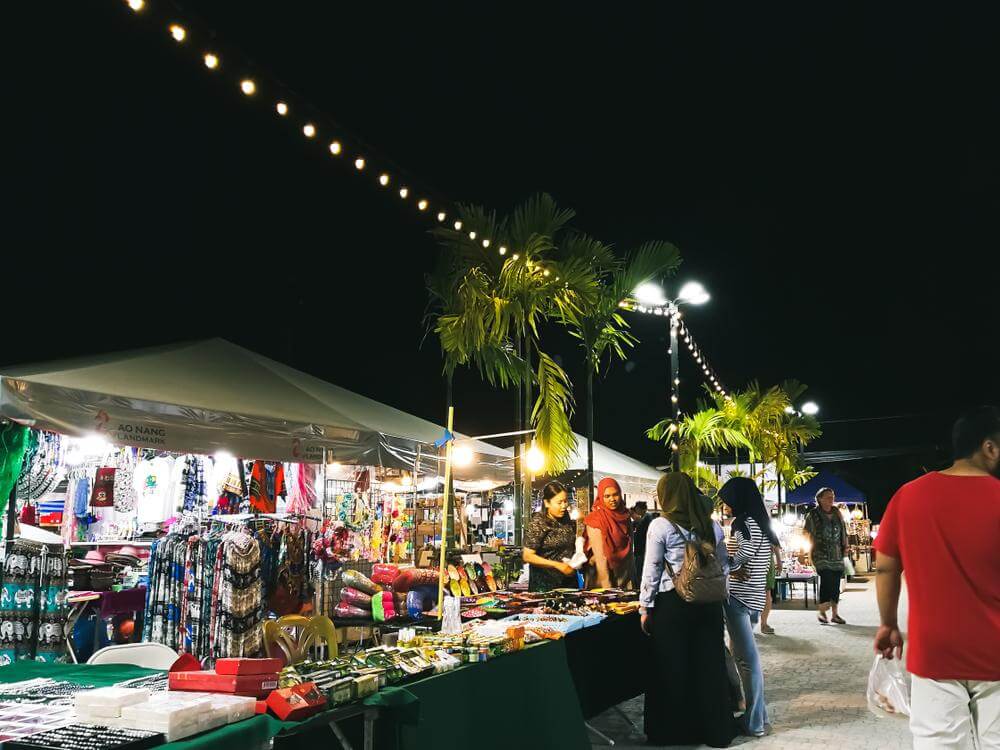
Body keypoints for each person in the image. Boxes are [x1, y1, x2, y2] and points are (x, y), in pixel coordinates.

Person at [873, 406, 1000, 750]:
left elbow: (885, 567)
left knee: (939, 743)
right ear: (989, 447)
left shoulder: (909, 496)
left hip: (935, 651)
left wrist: (888, 624)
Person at [640, 473, 738, 748]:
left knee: (673, 667)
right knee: (709, 666)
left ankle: (673, 732)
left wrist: (645, 606)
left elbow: (652, 568)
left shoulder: (660, 525)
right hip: (708, 605)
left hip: (673, 604)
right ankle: (714, 730)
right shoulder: (711, 525)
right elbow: (723, 565)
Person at [719, 477, 780, 738]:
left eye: (727, 500)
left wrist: (727, 564)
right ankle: (759, 717)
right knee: (745, 657)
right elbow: (760, 553)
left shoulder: (743, 522)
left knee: (747, 661)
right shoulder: (761, 521)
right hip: (754, 596)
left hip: (738, 597)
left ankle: (754, 723)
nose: (725, 505)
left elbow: (744, 551)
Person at [803, 487, 849, 624]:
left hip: (837, 553)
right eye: (828, 496)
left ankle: (835, 614)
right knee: (827, 579)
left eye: (832, 496)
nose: (831, 499)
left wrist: (846, 547)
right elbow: (806, 533)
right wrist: (804, 551)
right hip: (820, 553)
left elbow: (844, 531)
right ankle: (822, 611)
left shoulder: (837, 513)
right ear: (820, 499)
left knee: (835, 583)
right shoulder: (813, 515)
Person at [522, 481, 578, 592]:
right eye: (559, 502)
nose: (564, 506)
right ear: (547, 503)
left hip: (568, 584)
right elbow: (527, 556)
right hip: (545, 586)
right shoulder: (539, 522)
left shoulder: (567, 520)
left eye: (565, 501)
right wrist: (556, 565)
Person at [584, 478, 635, 589]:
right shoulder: (595, 519)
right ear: (601, 497)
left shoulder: (625, 516)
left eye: (615, 494)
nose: (612, 499)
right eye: (607, 496)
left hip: (624, 573)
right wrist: (607, 587)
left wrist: (632, 578)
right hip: (603, 575)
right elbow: (600, 557)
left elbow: (630, 551)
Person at [758, 539, 782, 635]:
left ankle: (763, 623)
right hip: (757, 560)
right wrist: (779, 561)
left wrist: (779, 561)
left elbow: (776, 546)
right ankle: (761, 624)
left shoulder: (768, 531)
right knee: (764, 593)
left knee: (766, 593)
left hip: (764, 561)